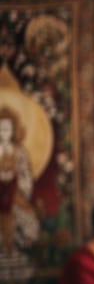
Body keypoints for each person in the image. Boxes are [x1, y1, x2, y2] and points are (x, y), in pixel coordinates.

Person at [0, 106, 39, 256]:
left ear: (13, 131)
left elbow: (26, 175)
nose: (4, 133)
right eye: (1, 129)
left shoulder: (19, 151)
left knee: (29, 222)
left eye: (7, 129)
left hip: (14, 193)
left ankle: (15, 247)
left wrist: (19, 187)